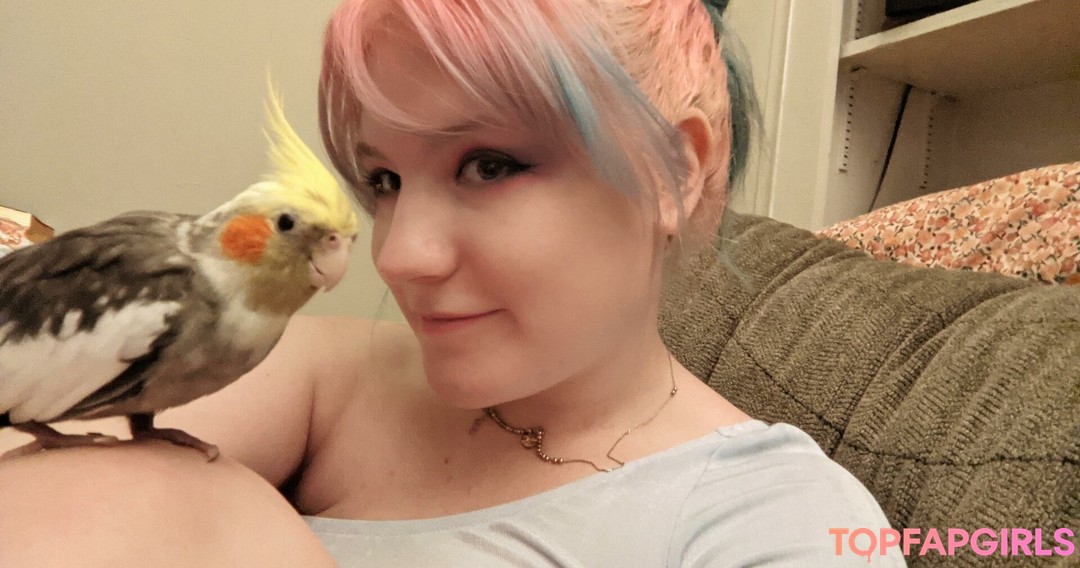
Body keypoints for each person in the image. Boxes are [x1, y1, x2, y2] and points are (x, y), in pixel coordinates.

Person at [0, 0, 906, 565]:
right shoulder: (336, 375)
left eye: (490, 164)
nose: (399, 256)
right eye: (384, 180)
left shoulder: (775, 523)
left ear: (674, 170)